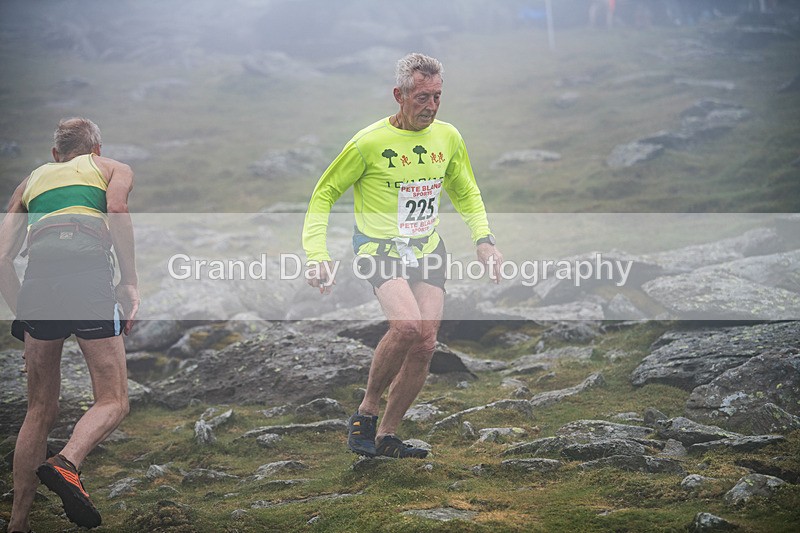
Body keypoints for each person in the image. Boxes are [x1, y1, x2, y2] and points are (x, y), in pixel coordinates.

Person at [302, 53, 502, 459]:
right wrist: (316, 254)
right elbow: (324, 194)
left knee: (426, 342)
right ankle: (366, 412)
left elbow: (465, 190)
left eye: (437, 97)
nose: (431, 106)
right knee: (408, 326)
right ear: (399, 95)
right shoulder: (368, 143)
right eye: (422, 97)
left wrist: (484, 239)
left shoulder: (448, 137)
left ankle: (388, 436)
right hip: (379, 249)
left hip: (427, 248)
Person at [0, 118, 139, 531]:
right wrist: (129, 281)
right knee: (113, 400)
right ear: (96, 149)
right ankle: (67, 462)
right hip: (88, 276)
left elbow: (2, 257)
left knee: (39, 409)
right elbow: (117, 209)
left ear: (56, 155)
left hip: (38, 284)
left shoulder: (31, 181)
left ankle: (18, 522)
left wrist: (25, 318)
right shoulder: (112, 168)